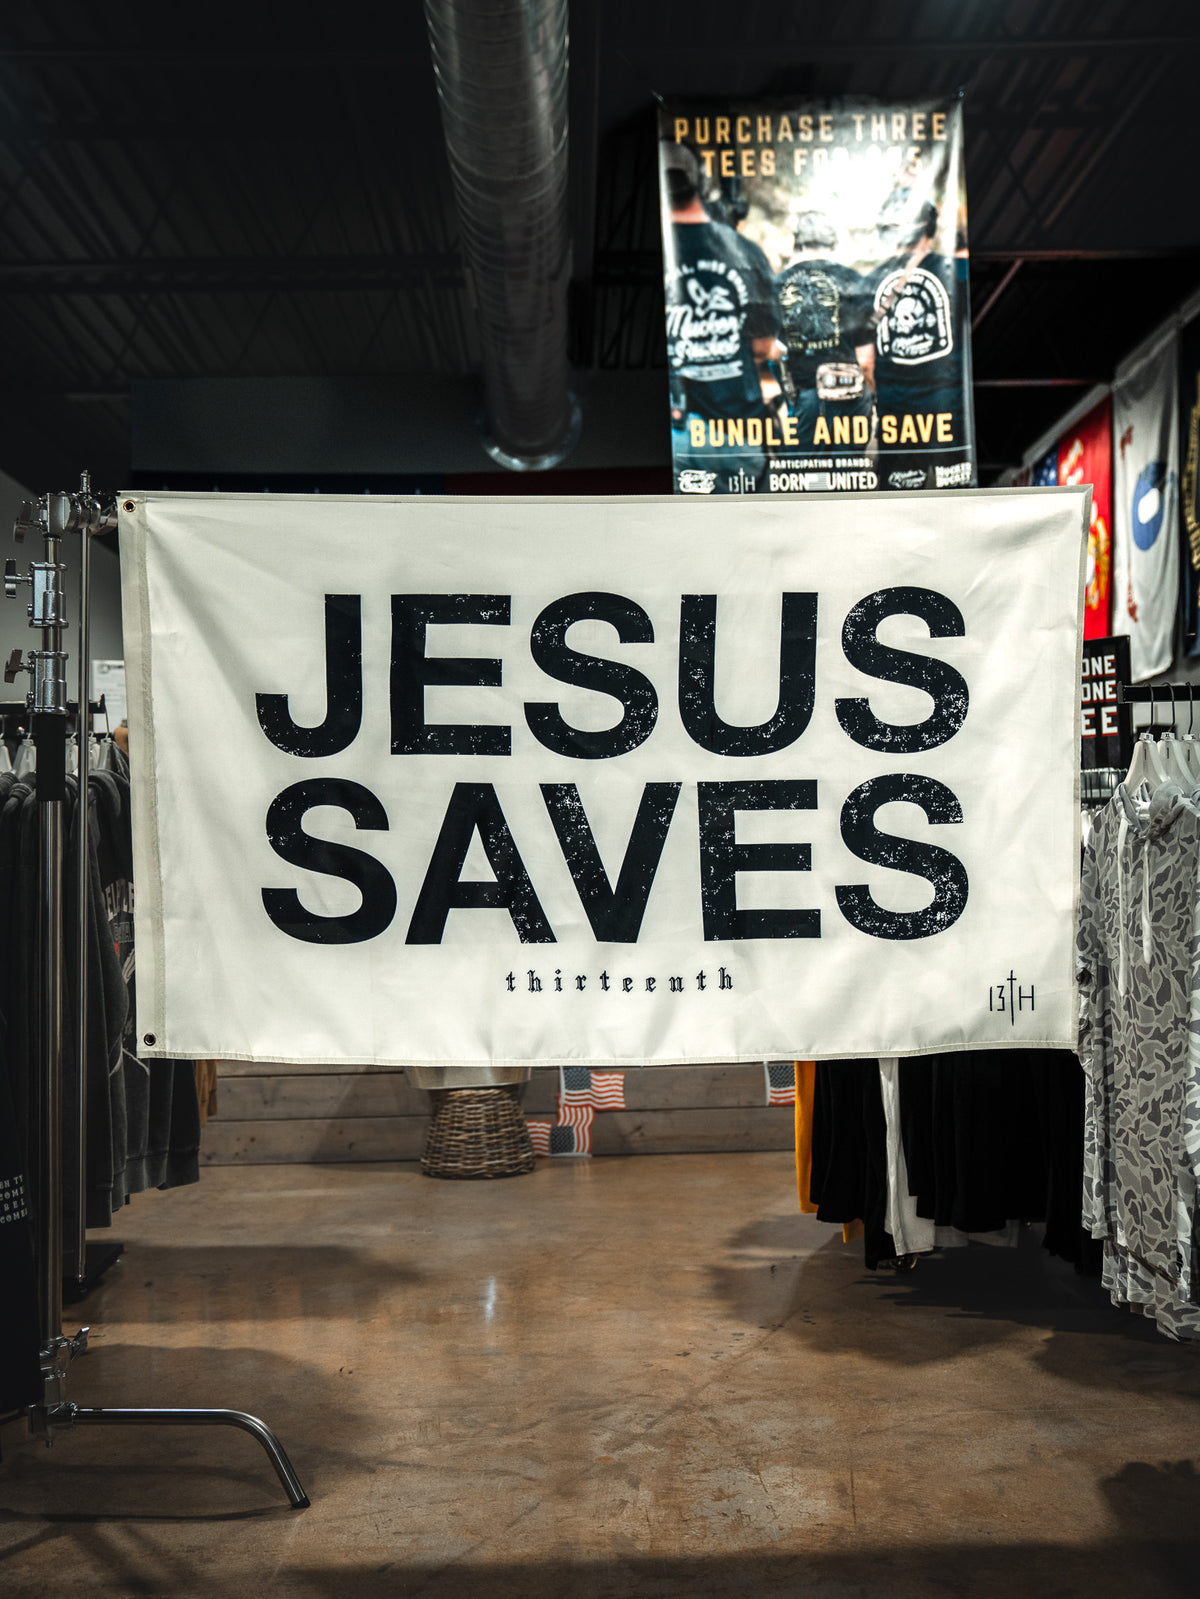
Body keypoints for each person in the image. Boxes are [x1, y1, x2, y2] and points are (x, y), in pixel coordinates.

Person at [660, 142, 781, 494]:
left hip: (674, 434)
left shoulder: (659, 252)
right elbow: (762, 347)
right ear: (700, 185)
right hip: (735, 431)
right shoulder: (745, 252)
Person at [868, 200, 972, 490]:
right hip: (948, 411)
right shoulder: (956, 271)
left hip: (897, 420)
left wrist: (888, 391)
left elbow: (864, 361)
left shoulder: (871, 281)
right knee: (955, 503)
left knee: (899, 509)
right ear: (930, 228)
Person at [774, 211, 876, 458]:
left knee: (804, 479)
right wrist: (872, 393)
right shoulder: (854, 281)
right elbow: (865, 361)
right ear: (832, 242)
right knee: (847, 476)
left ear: (798, 241)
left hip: (802, 397)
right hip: (850, 395)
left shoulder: (777, 284)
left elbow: (769, 349)